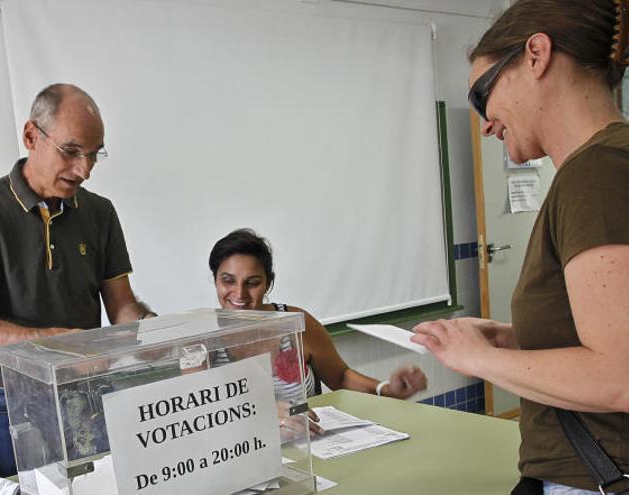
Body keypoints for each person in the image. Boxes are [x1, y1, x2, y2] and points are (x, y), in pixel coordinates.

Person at [410, 1, 629, 493]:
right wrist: (512, 336)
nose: (485, 123)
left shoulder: (595, 174)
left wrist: (477, 359)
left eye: (482, 95)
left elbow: (621, 374)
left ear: (536, 54)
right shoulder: (608, 163)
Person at [0, 83, 155, 476]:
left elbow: (122, 305)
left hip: (85, 390)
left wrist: (152, 332)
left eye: (94, 155)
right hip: (7, 396)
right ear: (31, 136)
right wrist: (66, 346)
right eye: (71, 151)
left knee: (101, 486)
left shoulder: (100, 212)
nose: (84, 170)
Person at [208, 229, 427, 407]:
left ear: (268, 283)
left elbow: (341, 378)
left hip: (310, 452)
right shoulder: (202, 338)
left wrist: (387, 390)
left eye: (252, 283)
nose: (239, 294)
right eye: (228, 281)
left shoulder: (295, 322)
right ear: (216, 280)